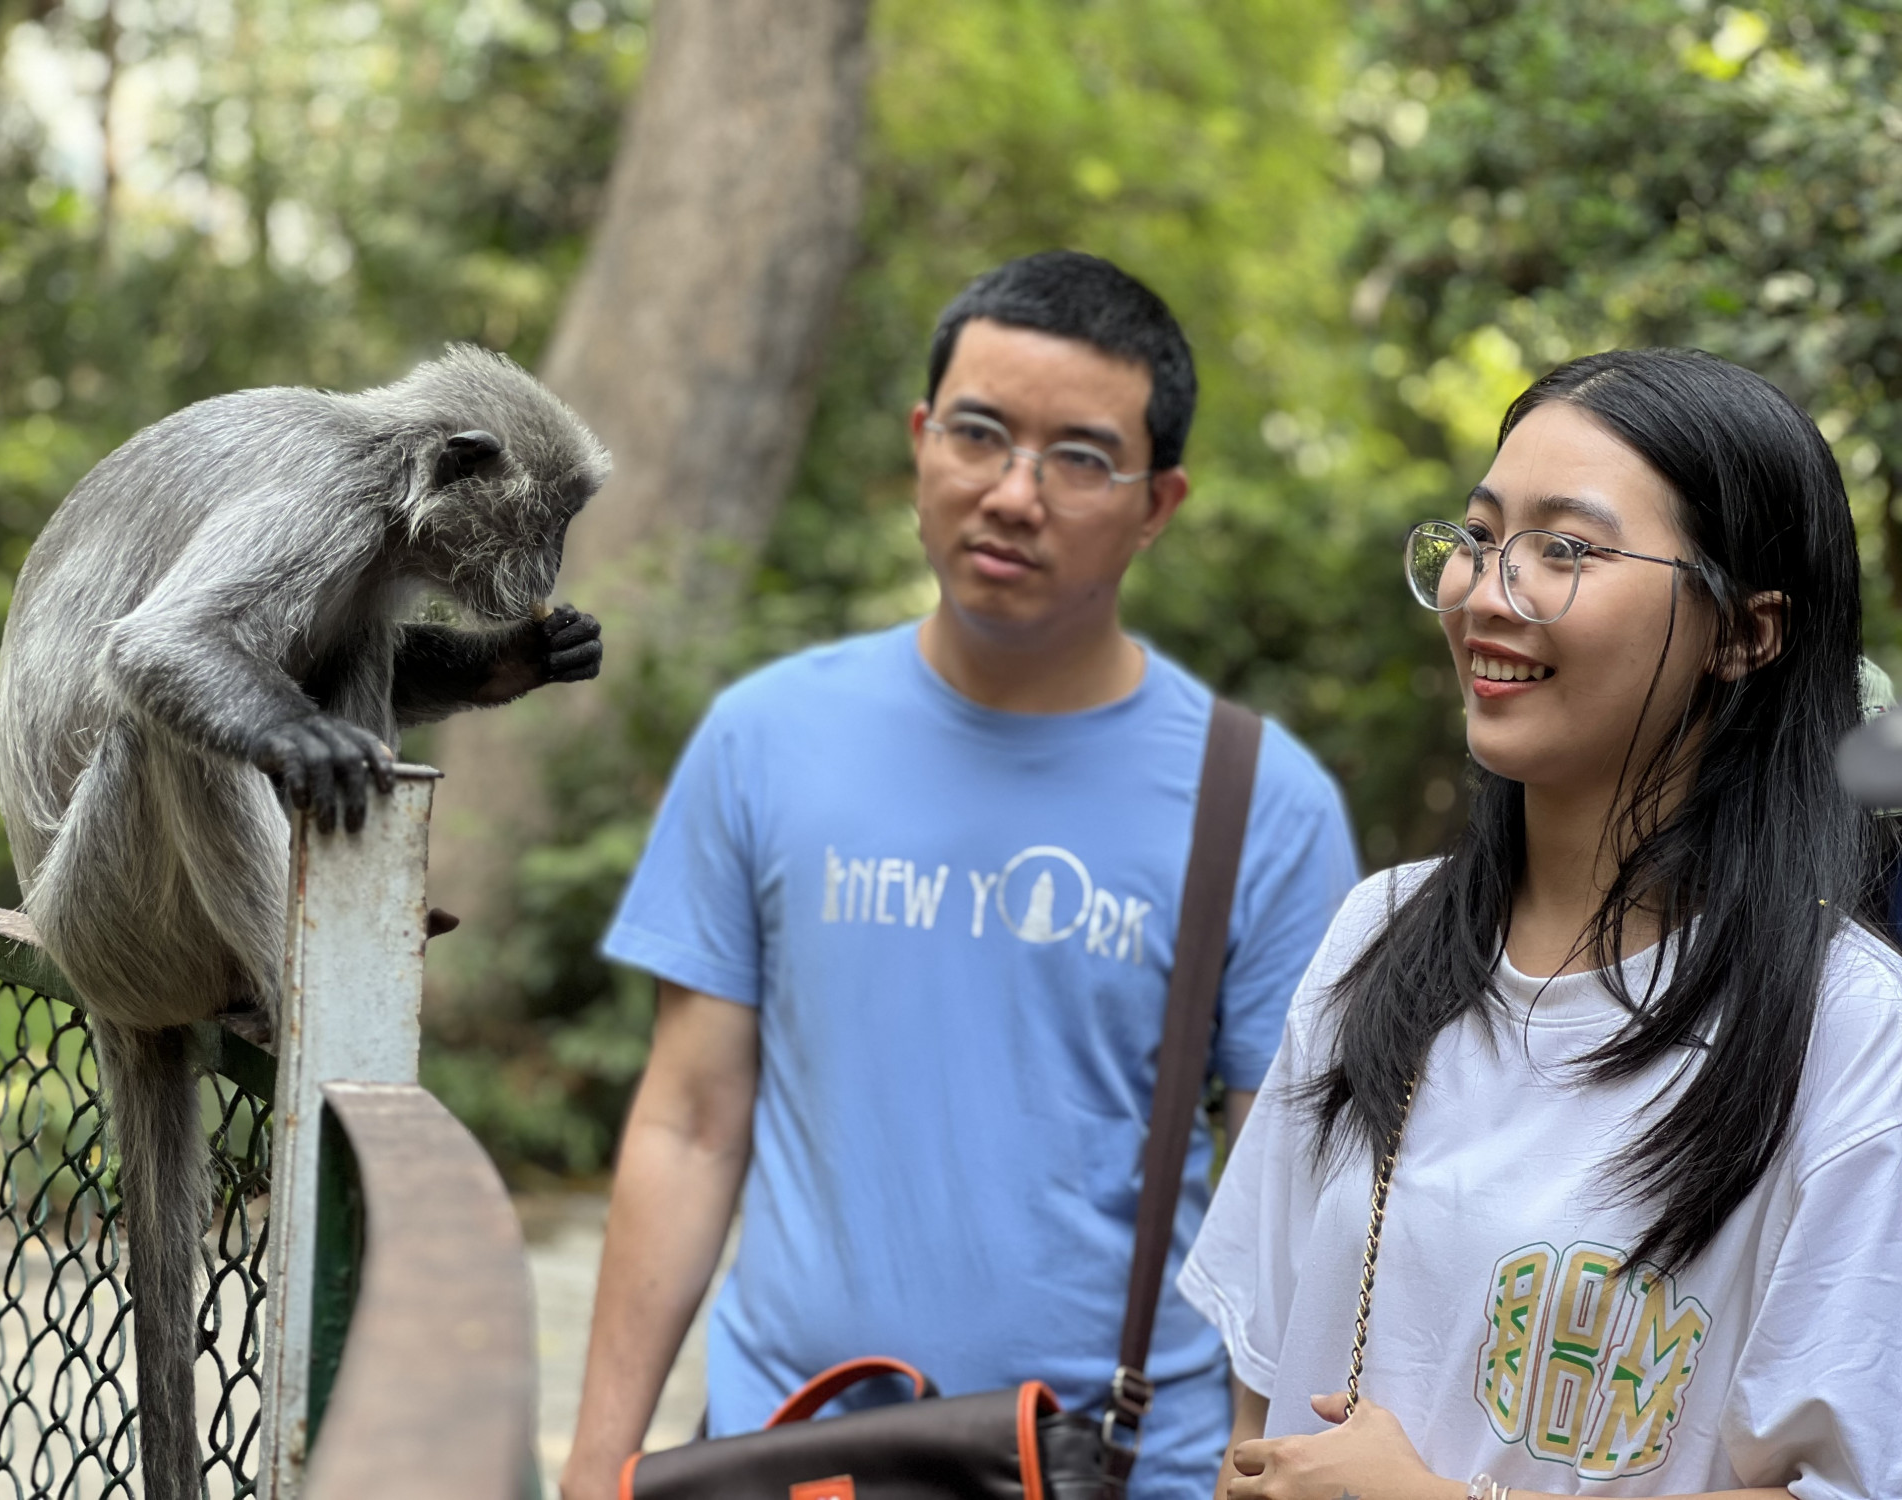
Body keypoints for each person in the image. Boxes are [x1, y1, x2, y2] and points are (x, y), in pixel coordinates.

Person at [557, 251, 1359, 1500]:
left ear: (1158, 504)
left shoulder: (1259, 803)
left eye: (1081, 458)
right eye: (978, 434)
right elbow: (689, 1121)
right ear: (921, 442)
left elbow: (1288, 1205)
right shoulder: (766, 737)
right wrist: (594, 1467)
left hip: (1116, 1466)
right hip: (790, 1451)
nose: (1014, 493)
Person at [1179, 348, 1902, 1499]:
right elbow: (1259, 1410)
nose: (1486, 590)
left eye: (1564, 548)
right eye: (1476, 538)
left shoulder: (1850, 1034)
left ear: (1744, 633)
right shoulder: (1378, 936)